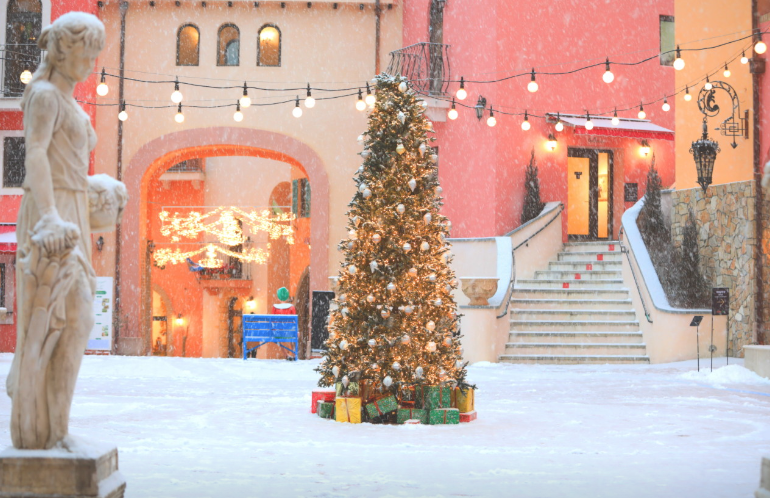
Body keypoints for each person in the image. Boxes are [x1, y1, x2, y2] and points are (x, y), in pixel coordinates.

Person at [5, 13, 125, 450]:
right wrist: (51, 215)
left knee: (76, 320)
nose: (91, 64)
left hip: (72, 204)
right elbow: (35, 152)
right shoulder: (45, 96)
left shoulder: (68, 101)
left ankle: (55, 427)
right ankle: (40, 428)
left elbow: (71, 158)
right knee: (61, 317)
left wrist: (97, 191)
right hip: (50, 209)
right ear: (62, 50)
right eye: (86, 54)